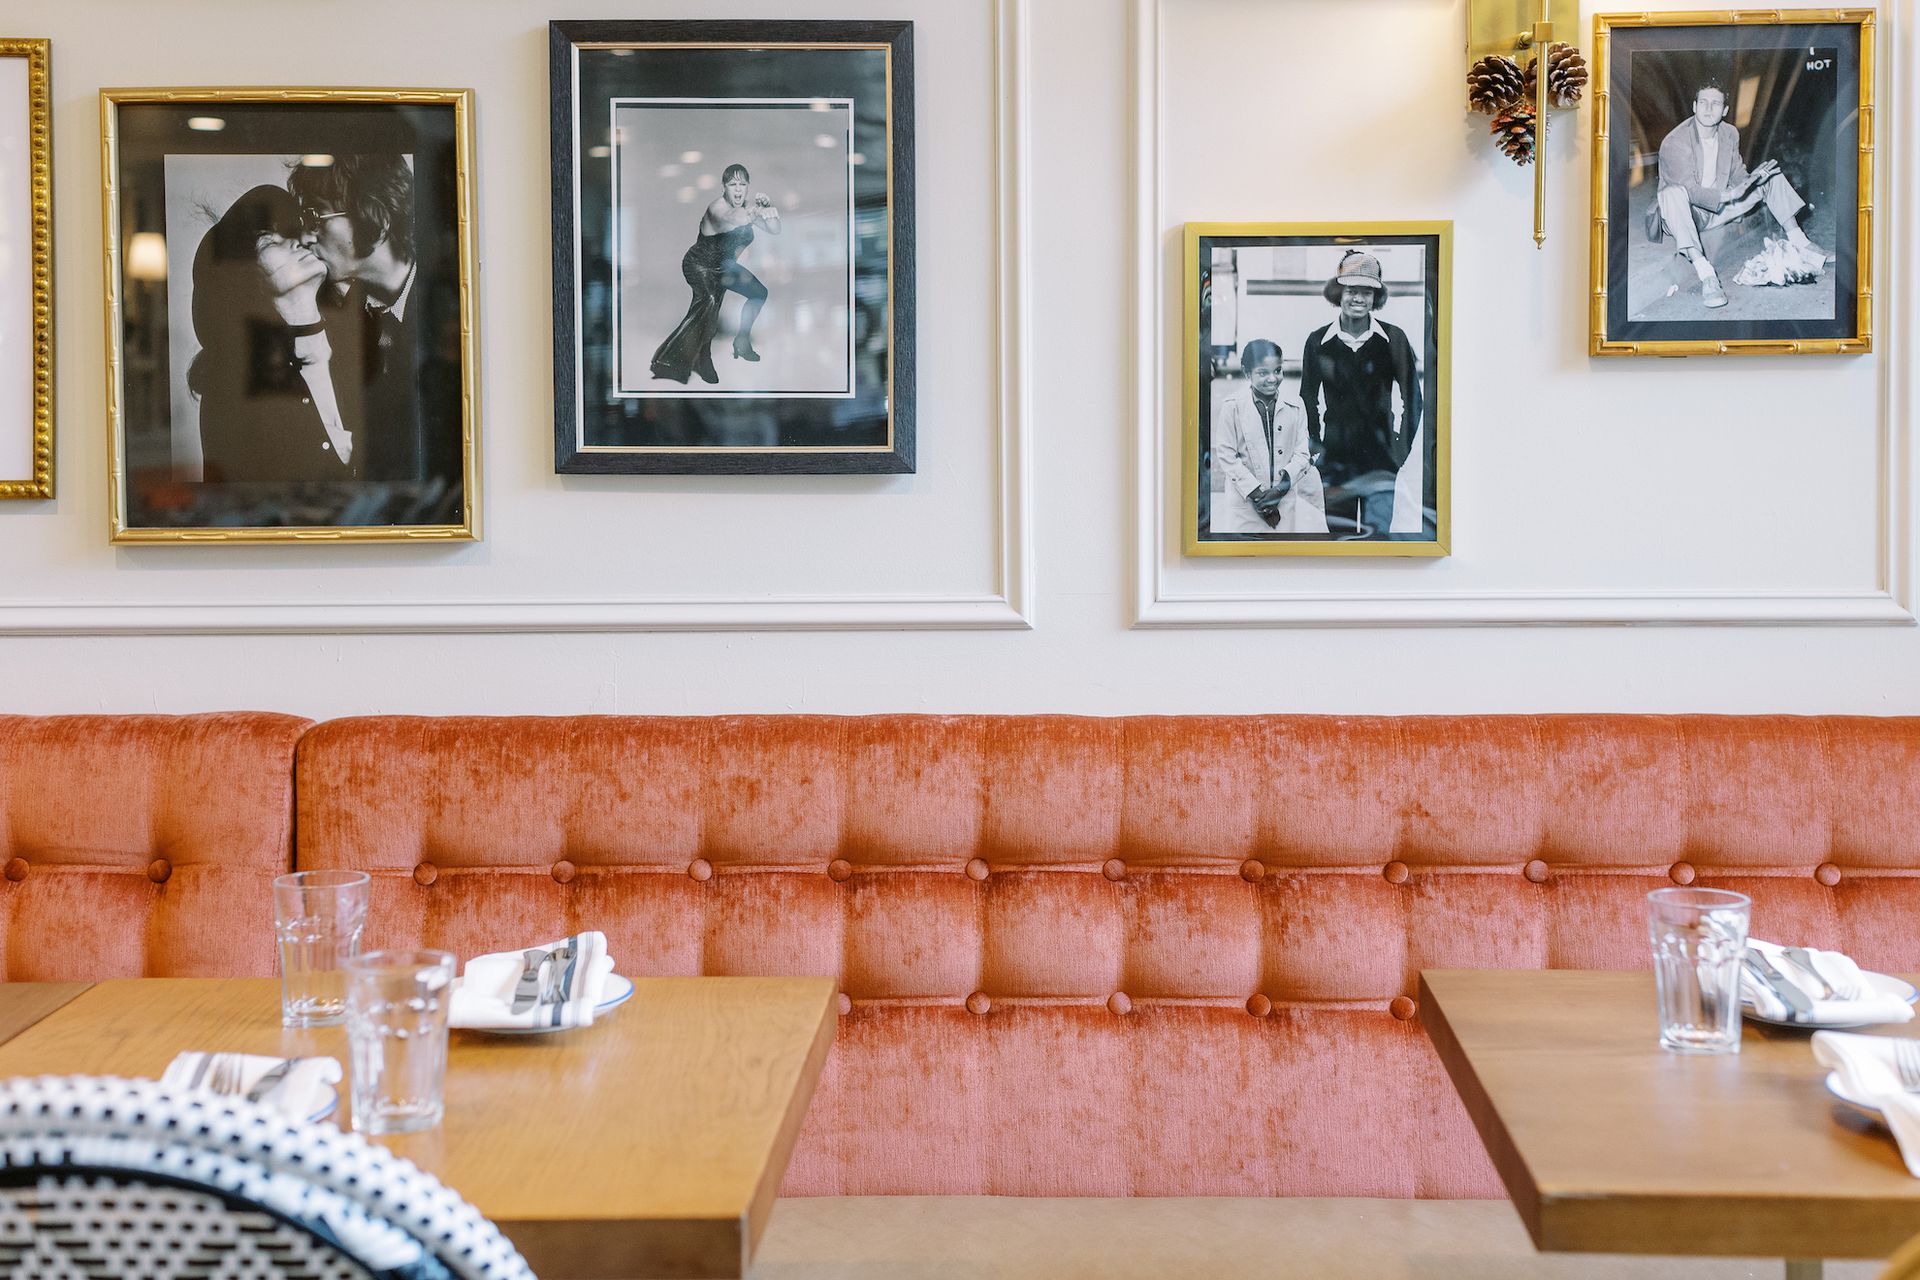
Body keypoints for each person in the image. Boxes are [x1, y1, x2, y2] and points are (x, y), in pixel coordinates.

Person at [290, 154, 462, 491]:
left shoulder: (451, 305)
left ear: (377, 217)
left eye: (315, 216)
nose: (306, 237)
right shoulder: (325, 316)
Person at [189, 185, 358, 484]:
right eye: (270, 241)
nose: (299, 242)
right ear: (243, 275)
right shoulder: (233, 388)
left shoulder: (361, 345)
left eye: (293, 233)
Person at [1647, 83, 1831, 310]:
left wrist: (1752, 179)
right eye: (1702, 102)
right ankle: (1706, 275)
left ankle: (1801, 244)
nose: (1708, 108)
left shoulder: (1729, 133)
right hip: (1686, 214)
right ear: (1694, 106)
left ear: (1724, 110)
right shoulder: (1675, 141)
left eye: (1715, 104)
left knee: (1770, 177)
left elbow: (1736, 173)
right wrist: (1730, 194)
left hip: (1720, 209)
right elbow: (1691, 191)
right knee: (1671, 194)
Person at [1297, 251, 1421, 538]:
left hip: (1381, 458)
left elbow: (1413, 399)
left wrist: (1400, 449)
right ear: (1339, 293)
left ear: (1376, 297)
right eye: (1352, 290)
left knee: (1377, 538)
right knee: (1339, 538)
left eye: (1367, 292)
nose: (1358, 299)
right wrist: (1315, 445)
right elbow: (1307, 400)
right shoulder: (1318, 342)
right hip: (1335, 457)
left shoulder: (1395, 340)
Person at [650, 164, 782, 384]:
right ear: (724, 187)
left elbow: (775, 229)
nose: (738, 190)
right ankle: (690, 359)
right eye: (733, 185)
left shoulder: (747, 209)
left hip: (724, 268)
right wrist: (757, 211)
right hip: (699, 265)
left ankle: (741, 342)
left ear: (748, 187)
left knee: (759, 293)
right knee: (710, 302)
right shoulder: (717, 208)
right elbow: (734, 218)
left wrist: (769, 209)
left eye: (742, 184)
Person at [1211, 339, 1327, 534]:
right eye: (1263, 373)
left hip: (1284, 502)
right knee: (1246, 557)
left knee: (1281, 557)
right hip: (1245, 504)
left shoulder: (1295, 405)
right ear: (1247, 372)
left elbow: (1302, 453)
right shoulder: (1232, 406)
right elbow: (1226, 456)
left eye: (1278, 370)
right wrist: (1258, 496)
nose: (1272, 379)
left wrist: (1279, 491)